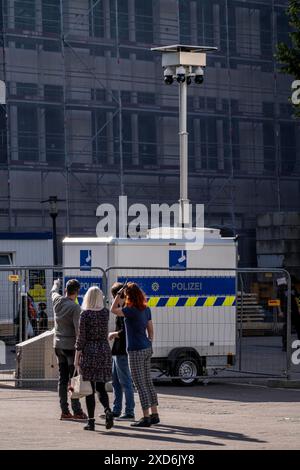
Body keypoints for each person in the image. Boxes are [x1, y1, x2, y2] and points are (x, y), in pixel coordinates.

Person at [111, 282, 159, 427]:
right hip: (146, 347)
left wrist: (118, 294)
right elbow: (150, 330)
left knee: (139, 384)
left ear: (128, 296)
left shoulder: (130, 310)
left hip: (135, 350)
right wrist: (149, 343)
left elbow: (113, 309)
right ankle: (154, 413)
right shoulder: (146, 309)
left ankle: (145, 417)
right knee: (148, 382)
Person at [75, 286, 114, 431]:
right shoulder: (105, 313)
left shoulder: (85, 314)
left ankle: (91, 422)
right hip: (104, 351)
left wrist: (77, 357)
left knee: (89, 389)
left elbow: (81, 338)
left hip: (90, 352)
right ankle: (108, 410)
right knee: (101, 387)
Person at [52, 278, 87, 421]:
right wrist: (81, 349)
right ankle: (77, 410)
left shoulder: (57, 300)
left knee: (62, 379)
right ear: (77, 292)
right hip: (70, 347)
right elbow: (78, 331)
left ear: (66, 289)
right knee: (73, 380)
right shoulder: (75, 308)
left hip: (58, 346)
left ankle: (64, 411)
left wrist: (56, 283)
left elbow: (53, 291)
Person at [108, 282, 135, 420]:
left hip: (122, 350)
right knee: (116, 382)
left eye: (114, 296)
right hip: (117, 350)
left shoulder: (125, 309)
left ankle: (129, 411)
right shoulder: (122, 308)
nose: (113, 299)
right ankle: (116, 409)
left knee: (125, 382)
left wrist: (113, 334)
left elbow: (125, 332)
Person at [278, 275, 300, 351]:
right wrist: (280, 311)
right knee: (286, 329)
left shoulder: (294, 289)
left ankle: (298, 344)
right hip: (286, 312)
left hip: (295, 312)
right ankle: (285, 346)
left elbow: (298, 298)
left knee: (298, 328)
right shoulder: (282, 289)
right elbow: (278, 301)